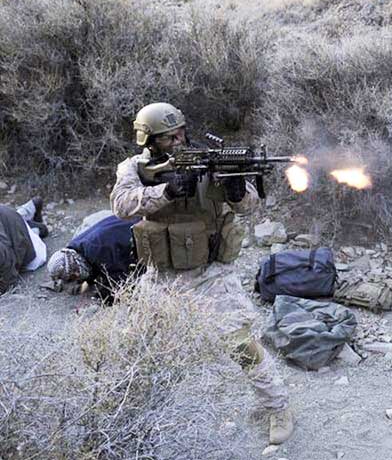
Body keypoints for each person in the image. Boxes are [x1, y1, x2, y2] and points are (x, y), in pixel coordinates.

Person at [109, 102, 294, 445]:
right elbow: (121, 205)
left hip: (210, 273)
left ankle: (277, 407)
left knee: (240, 344)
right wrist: (166, 191)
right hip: (161, 276)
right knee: (141, 345)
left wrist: (237, 191)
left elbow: (249, 205)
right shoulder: (133, 167)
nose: (178, 141)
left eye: (180, 133)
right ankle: (134, 412)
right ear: (148, 141)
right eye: (168, 138)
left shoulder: (210, 162)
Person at [46, 214, 141, 302]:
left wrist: (102, 297)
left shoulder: (98, 250)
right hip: (129, 220)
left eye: (74, 276)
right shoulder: (75, 247)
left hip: (140, 228)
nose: (77, 275)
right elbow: (90, 266)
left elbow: (118, 280)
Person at [0, 197, 48, 294]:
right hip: (7, 217)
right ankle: (30, 208)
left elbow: (9, 269)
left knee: (35, 259)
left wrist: (2, 288)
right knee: (16, 217)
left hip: (17, 232)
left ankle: (38, 229)